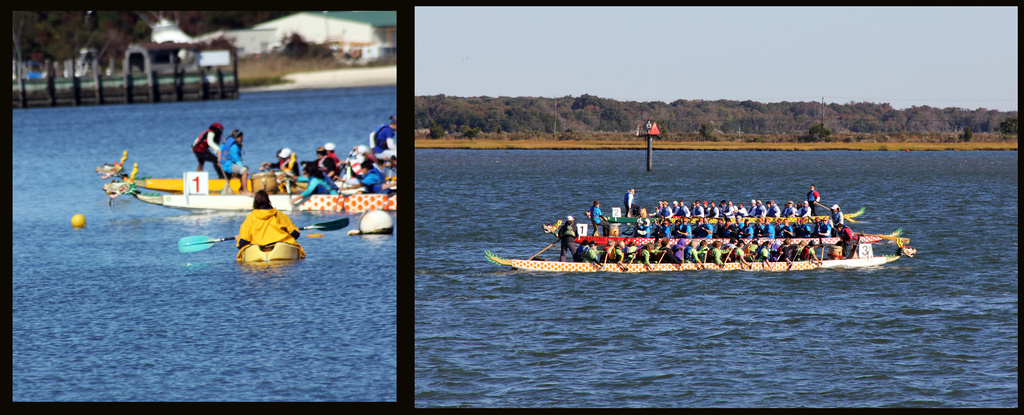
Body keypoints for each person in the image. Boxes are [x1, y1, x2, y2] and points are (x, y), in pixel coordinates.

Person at [235, 190, 305, 261]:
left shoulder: (250, 218)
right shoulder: (279, 215)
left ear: (255, 202)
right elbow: (296, 234)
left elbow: (243, 243)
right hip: (281, 249)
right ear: (268, 201)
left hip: (257, 253)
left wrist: (239, 239)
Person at [219, 130, 253, 196]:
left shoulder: (228, 142)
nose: (242, 140)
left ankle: (230, 191)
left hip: (225, 164)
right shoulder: (234, 147)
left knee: (243, 170)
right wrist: (244, 170)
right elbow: (237, 160)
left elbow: (219, 149)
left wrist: (219, 159)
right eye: (241, 138)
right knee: (244, 171)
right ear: (237, 138)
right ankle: (245, 191)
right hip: (227, 165)